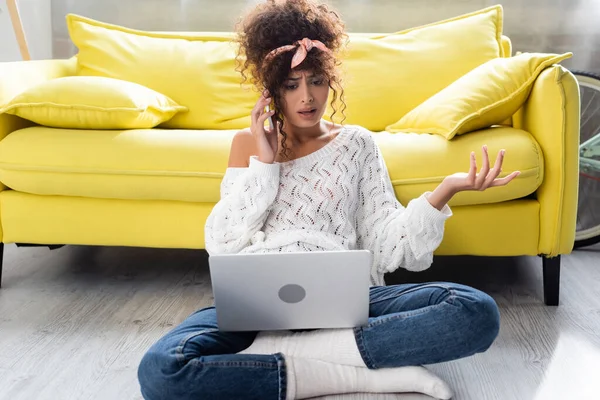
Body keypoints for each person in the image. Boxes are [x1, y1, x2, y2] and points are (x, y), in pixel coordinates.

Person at [137, 1, 520, 399]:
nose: (307, 97)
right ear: (271, 91)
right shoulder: (247, 145)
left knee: (474, 311)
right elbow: (222, 243)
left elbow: (388, 245)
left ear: (330, 79)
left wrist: (447, 190)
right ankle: (355, 373)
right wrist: (265, 165)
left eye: (316, 80)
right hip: (259, 307)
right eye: (291, 85)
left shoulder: (356, 144)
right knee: (162, 370)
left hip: (349, 304)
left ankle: (285, 358)